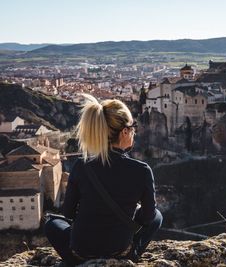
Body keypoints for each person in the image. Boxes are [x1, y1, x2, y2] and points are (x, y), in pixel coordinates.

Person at [45, 94, 162, 266]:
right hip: (120, 249)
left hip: (81, 251)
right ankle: (131, 256)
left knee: (52, 224)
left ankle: (74, 261)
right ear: (124, 131)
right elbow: (148, 217)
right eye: (133, 127)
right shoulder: (142, 170)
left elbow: (68, 213)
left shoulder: (80, 166)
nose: (134, 131)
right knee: (157, 216)